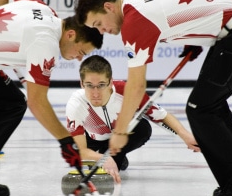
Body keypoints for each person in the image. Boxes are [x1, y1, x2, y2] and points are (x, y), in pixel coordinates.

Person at [74, 0, 232, 196]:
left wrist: (121, 130)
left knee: (201, 109)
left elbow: (136, 87)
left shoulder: (134, 22)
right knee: (211, 105)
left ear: (108, 7)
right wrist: (196, 33)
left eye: (98, 24)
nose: (101, 31)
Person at [0, 0, 103, 196]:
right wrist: (66, 141)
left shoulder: (44, 9)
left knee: (12, 104)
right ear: (71, 34)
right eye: (81, 51)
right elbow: (38, 103)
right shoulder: (45, 43)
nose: (79, 58)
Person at [65, 55, 200, 183]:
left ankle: (119, 155)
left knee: (142, 128)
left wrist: (185, 135)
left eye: (101, 85)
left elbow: (161, 115)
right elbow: (80, 149)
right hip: (92, 141)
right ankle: (109, 158)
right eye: (89, 85)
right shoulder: (76, 104)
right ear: (82, 84)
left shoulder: (127, 92)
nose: (95, 93)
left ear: (110, 82)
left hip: (121, 138)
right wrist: (101, 158)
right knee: (97, 168)